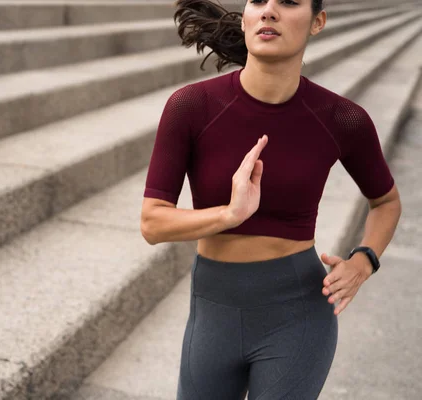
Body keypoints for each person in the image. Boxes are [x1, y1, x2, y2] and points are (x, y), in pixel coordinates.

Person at [139, 0, 403, 398]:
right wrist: (229, 214)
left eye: (289, 2)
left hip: (297, 316)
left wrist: (364, 260)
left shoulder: (341, 118)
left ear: (318, 22)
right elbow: (152, 223)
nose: (269, 11)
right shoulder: (191, 107)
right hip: (213, 311)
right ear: (246, 16)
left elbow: (385, 201)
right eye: (258, 0)